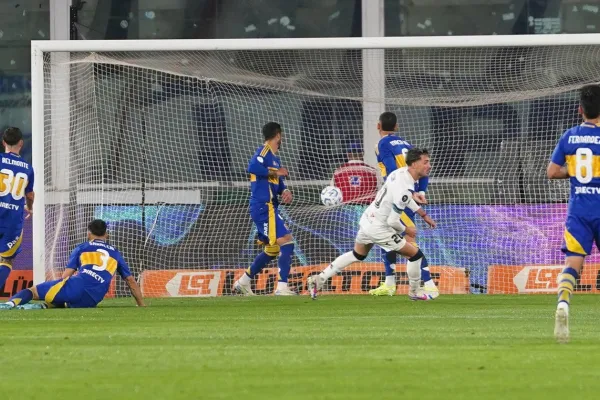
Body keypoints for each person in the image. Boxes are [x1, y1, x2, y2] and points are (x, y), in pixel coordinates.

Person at [308, 148, 437, 300]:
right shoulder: (405, 187)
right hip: (379, 227)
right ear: (414, 164)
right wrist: (407, 229)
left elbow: (403, 197)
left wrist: (423, 214)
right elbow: (393, 221)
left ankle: (320, 279)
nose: (429, 165)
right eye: (425, 162)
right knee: (415, 255)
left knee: (358, 254)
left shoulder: (399, 173)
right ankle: (415, 292)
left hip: (368, 218)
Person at [547, 84, 600, 343]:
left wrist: (576, 170)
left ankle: (564, 303)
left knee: (572, 265)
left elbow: (552, 172)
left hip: (578, 210)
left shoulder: (569, 136)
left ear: (580, 110)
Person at [0, 219, 145, 309]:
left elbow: (65, 276)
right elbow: (130, 280)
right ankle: (43, 306)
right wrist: (141, 305)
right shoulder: (115, 253)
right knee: (63, 301)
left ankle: (9, 305)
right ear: (106, 234)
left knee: (32, 291)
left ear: (89, 233)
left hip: (77, 285)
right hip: (93, 299)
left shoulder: (82, 248)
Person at [370, 112, 438, 298]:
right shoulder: (407, 145)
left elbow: (392, 169)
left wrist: (401, 189)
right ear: (396, 126)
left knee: (408, 241)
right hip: (408, 194)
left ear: (378, 126)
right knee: (388, 238)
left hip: (399, 196)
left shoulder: (382, 144)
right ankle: (390, 283)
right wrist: (420, 191)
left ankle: (429, 284)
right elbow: (423, 172)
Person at [233, 122, 296, 296]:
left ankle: (243, 282)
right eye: (281, 136)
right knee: (287, 242)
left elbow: (277, 181)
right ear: (278, 135)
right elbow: (252, 167)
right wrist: (276, 173)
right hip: (263, 207)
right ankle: (282, 287)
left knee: (273, 249)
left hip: (269, 208)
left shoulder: (275, 158)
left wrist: (285, 190)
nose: (282, 139)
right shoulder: (263, 152)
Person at [0, 127, 34, 294]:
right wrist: (30, 207)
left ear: (3, 142)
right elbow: (30, 194)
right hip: (12, 221)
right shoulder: (28, 168)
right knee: (6, 259)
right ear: (21, 143)